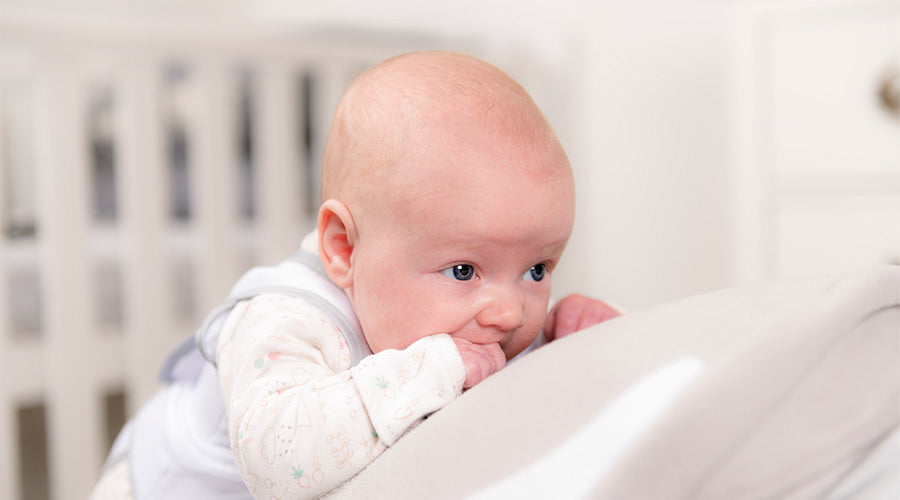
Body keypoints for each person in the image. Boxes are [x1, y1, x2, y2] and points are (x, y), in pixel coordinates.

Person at [90, 50, 620, 500]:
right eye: (464, 270)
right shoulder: (283, 317)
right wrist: (427, 372)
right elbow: (279, 461)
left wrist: (557, 343)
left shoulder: (456, 316)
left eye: (536, 269)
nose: (510, 312)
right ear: (344, 248)